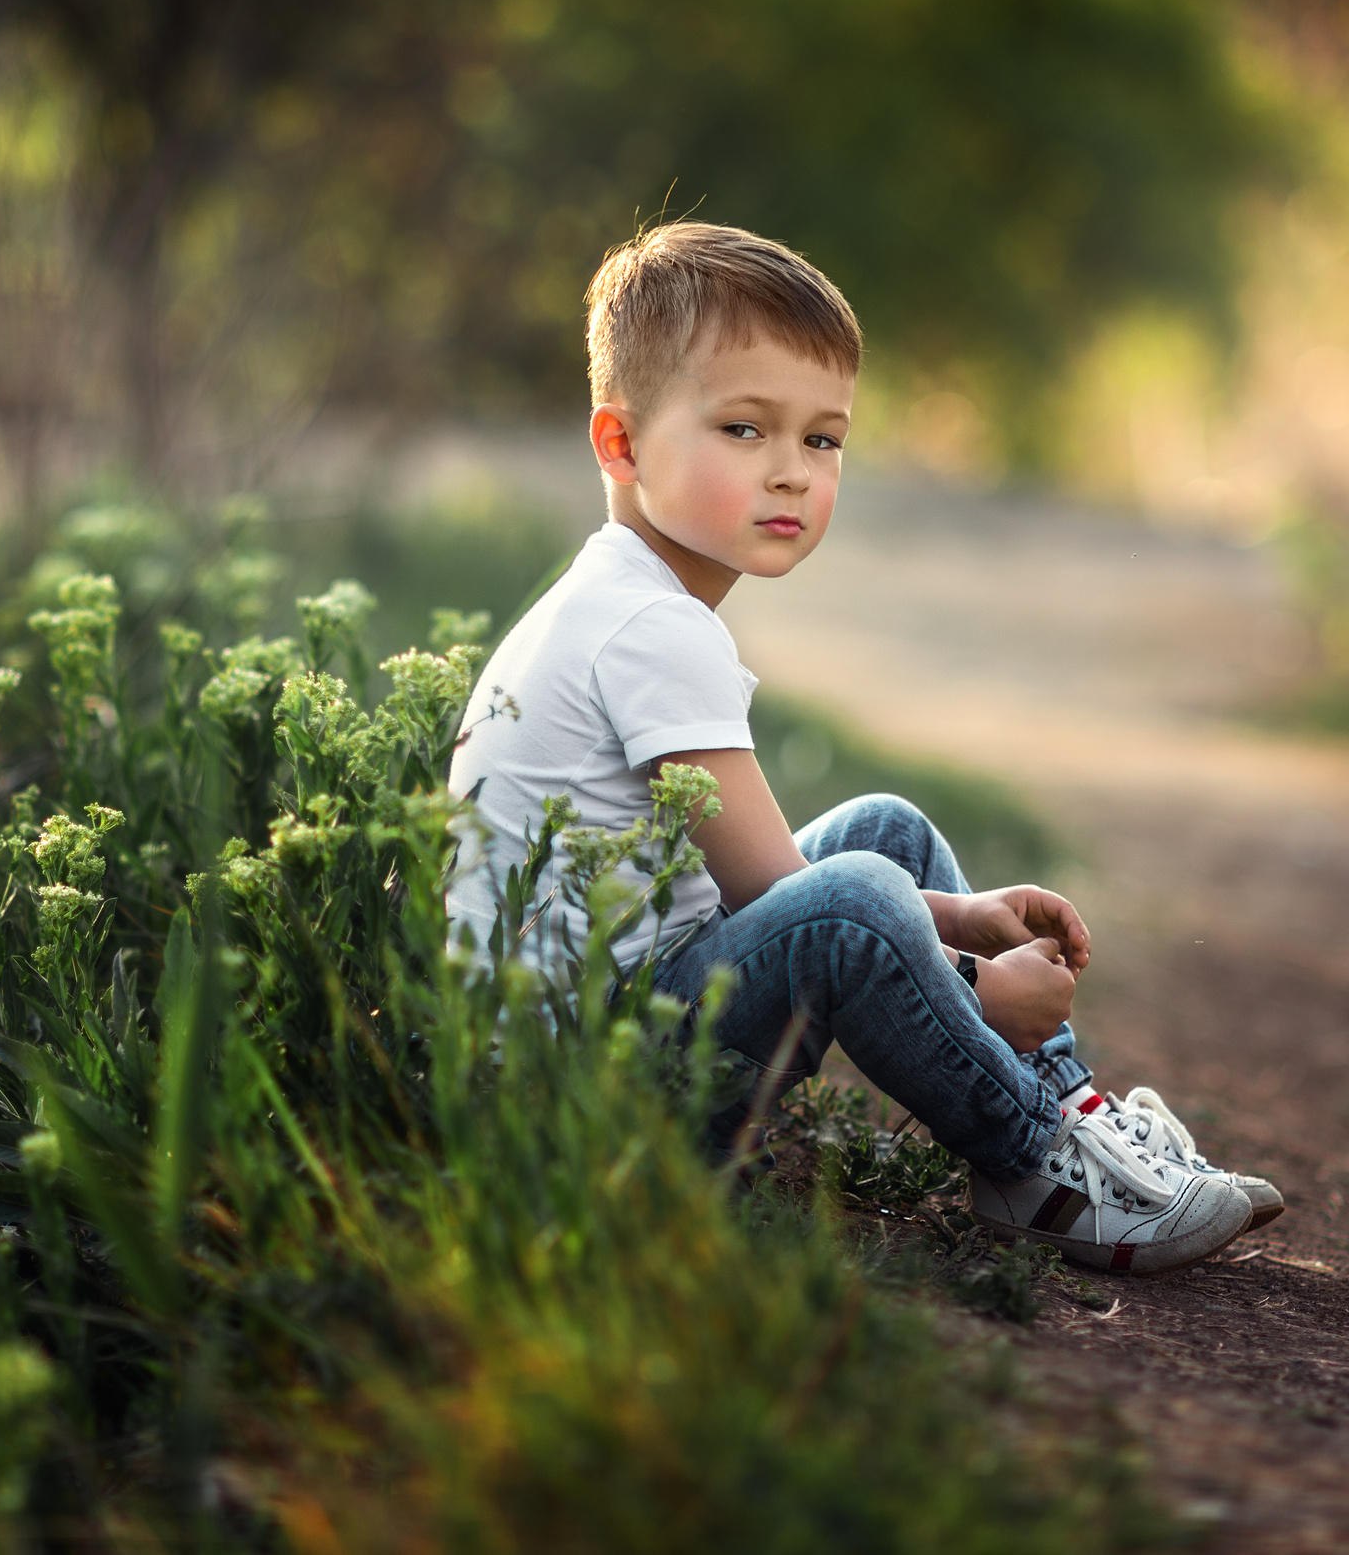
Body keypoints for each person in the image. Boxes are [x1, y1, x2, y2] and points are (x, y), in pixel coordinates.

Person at [445, 221, 1284, 1275]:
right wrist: (977, 985)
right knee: (851, 899)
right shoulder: (649, 628)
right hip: (595, 1099)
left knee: (884, 833)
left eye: (821, 439)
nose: (791, 473)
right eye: (744, 429)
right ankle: (1038, 1160)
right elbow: (787, 897)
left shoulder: (624, 596)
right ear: (619, 443)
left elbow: (761, 887)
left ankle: (1073, 1123)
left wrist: (961, 915)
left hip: (621, 1028)